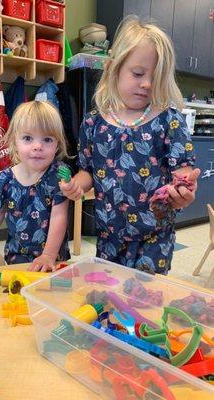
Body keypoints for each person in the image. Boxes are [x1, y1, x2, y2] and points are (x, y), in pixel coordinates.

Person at [60, 17, 200, 275]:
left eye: (155, 76)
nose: (147, 83)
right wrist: (76, 186)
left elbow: (182, 173)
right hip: (108, 235)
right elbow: (87, 171)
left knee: (146, 301)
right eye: (138, 73)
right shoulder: (93, 122)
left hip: (154, 237)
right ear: (115, 68)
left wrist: (183, 192)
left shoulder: (169, 121)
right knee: (111, 297)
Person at [0, 100, 70, 271]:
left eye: (47, 139)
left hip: (52, 258)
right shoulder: (5, 178)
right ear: (14, 142)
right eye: (28, 138)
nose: (38, 146)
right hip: (17, 256)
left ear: (57, 145)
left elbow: (59, 216)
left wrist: (48, 255)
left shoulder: (58, 175)